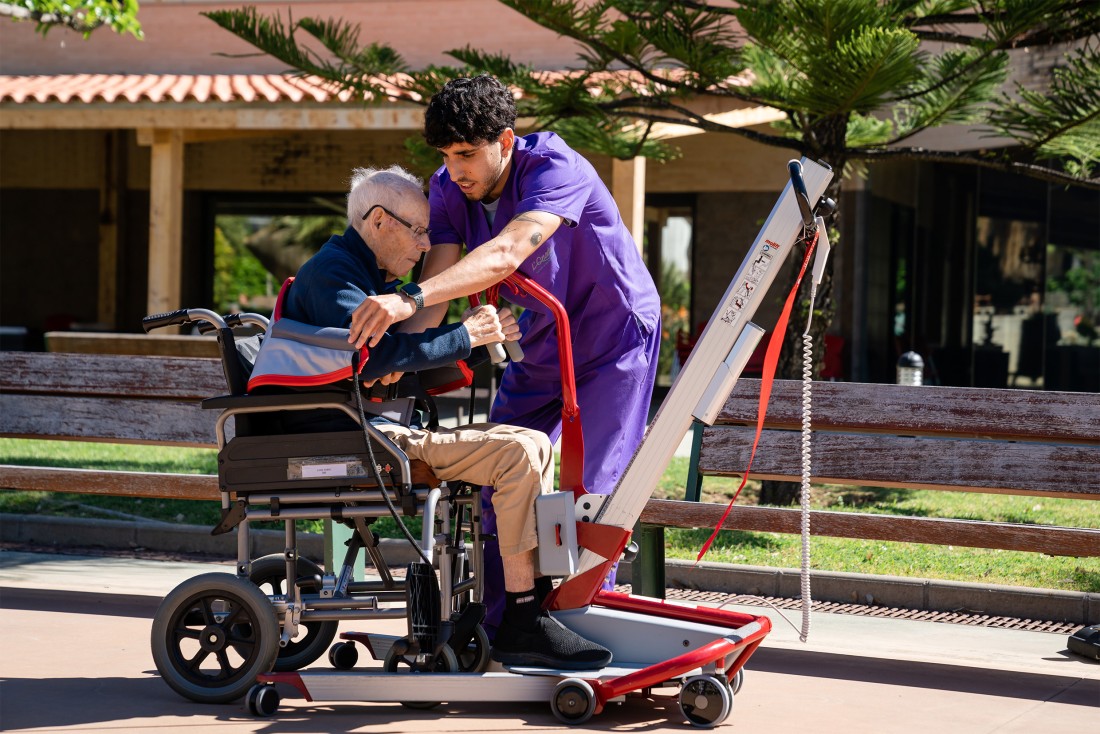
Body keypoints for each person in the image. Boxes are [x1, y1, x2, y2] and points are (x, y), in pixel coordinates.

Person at [275, 164, 611, 670]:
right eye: (418, 230)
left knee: (535, 442)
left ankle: (530, 605)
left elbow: (392, 366)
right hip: (352, 439)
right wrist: (465, 335)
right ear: (379, 221)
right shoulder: (335, 274)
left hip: (372, 431)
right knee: (518, 451)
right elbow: (382, 357)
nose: (427, 244)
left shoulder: (360, 275)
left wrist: (481, 342)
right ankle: (522, 620)